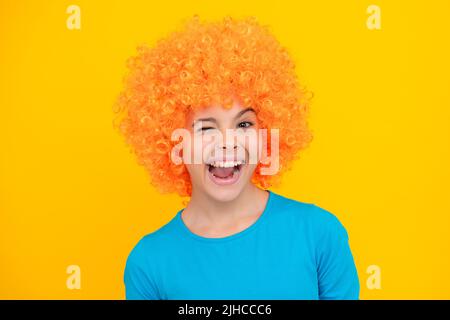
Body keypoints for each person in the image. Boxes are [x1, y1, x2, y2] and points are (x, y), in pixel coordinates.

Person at [114, 15, 359, 300]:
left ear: (265, 133)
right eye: (206, 127)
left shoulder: (319, 234)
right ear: (175, 141)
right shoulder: (149, 263)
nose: (228, 143)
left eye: (244, 124)